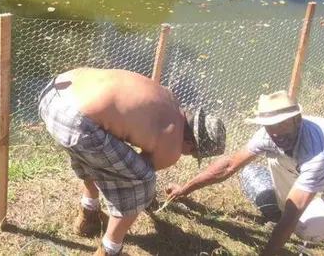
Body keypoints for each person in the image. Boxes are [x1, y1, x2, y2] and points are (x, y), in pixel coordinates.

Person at [38, 68, 226, 256]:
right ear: (190, 143)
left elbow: (111, 161)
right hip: (76, 122)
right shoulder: (173, 145)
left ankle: (89, 215)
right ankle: (111, 249)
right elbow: (130, 175)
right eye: (193, 153)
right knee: (142, 182)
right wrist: (145, 199)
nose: (187, 155)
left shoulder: (169, 97)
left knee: (98, 158)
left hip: (55, 93)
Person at [166, 91, 324, 255]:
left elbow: (292, 215)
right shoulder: (271, 134)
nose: (275, 132)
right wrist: (184, 189)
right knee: (275, 156)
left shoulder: (318, 152)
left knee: (302, 228)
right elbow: (229, 165)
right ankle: (299, 211)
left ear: (297, 119)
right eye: (269, 126)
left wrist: (266, 253)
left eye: (282, 124)